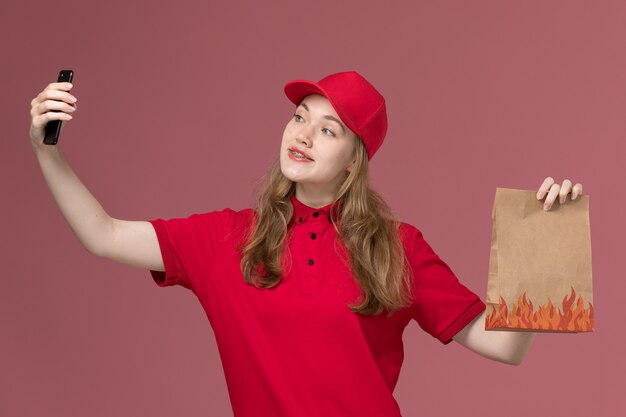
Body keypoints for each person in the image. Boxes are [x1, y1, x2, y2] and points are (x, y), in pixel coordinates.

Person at [29, 70, 584, 417]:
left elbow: (506, 348)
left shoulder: (398, 247)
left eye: (328, 129)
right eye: (299, 117)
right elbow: (101, 234)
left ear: (355, 157)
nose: (301, 134)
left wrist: (545, 241)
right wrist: (46, 150)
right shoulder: (227, 238)